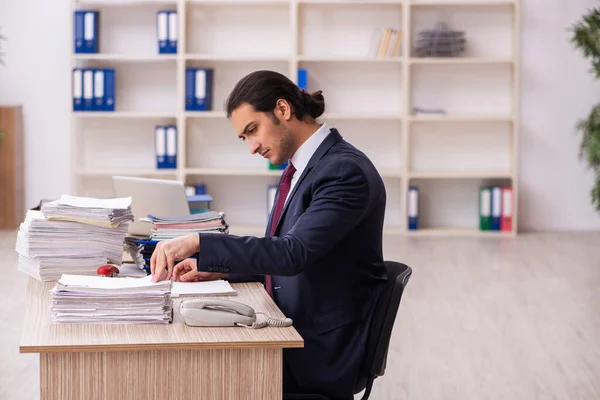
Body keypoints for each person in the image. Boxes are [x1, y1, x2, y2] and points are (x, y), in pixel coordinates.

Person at [150, 70, 388, 399]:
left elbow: (293, 253)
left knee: (187, 377)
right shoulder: (302, 168)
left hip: (319, 354)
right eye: (244, 138)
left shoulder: (343, 172)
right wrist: (213, 266)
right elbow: (282, 252)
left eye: (252, 131)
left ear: (282, 109)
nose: (252, 147)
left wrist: (200, 241)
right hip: (293, 332)